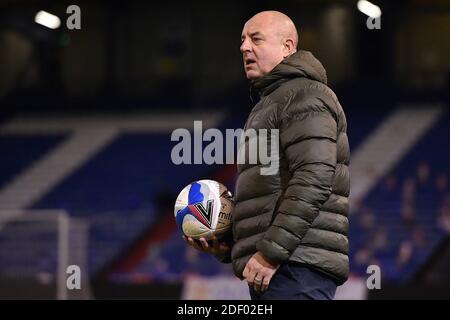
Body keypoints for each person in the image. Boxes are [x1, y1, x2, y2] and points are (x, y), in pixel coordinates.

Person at [184, 10, 350, 300]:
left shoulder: (305, 95)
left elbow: (315, 177)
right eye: (243, 40)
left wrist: (271, 252)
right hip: (283, 267)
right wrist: (229, 244)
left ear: (287, 47)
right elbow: (271, 195)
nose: (244, 47)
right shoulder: (274, 101)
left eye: (255, 39)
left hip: (296, 268)